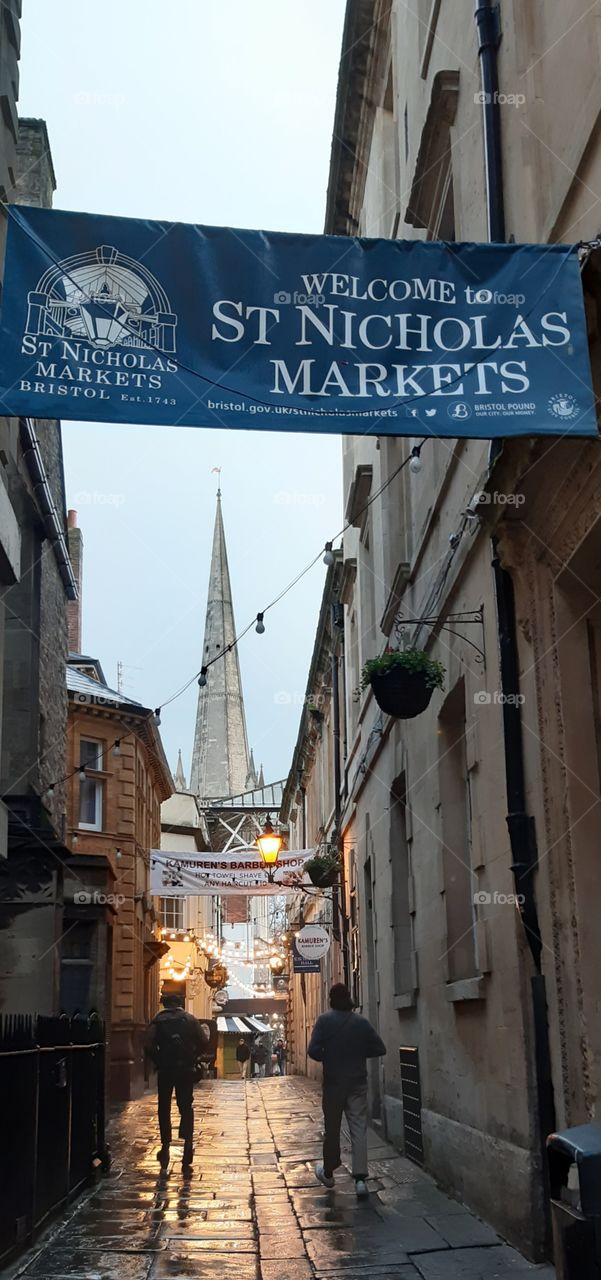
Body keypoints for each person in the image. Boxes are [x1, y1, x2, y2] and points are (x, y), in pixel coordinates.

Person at [308, 982, 386, 1200]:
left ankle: (329, 1172)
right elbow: (380, 1048)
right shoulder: (361, 1022)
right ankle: (360, 1180)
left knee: (331, 1129)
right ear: (349, 998)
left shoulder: (324, 1021)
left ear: (331, 999)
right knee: (359, 1128)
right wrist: (358, 1053)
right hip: (357, 1083)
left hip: (333, 1083)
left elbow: (312, 1050)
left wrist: (329, 1056)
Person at [145, 992, 206, 1171]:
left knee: (164, 1106)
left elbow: (148, 1044)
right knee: (185, 1106)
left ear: (164, 1004)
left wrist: (158, 1059)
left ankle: (165, 1147)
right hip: (186, 1069)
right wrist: (192, 1055)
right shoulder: (190, 1019)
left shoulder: (157, 1020)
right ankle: (187, 1145)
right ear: (180, 1003)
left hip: (165, 1070)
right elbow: (204, 1040)